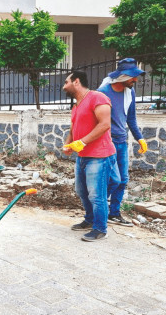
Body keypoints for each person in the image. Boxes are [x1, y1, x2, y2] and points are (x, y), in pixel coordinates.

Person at [62, 71, 116, 242]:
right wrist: (68, 144)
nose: (64, 86)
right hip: (83, 155)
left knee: (96, 194)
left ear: (76, 82)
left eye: (66, 82)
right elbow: (73, 129)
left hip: (99, 155)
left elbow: (105, 124)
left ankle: (100, 229)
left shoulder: (97, 98)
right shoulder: (76, 106)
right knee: (81, 191)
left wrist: (83, 142)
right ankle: (90, 219)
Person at [98, 58, 148, 227]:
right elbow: (96, 120)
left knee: (123, 179)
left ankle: (114, 213)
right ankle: (97, 210)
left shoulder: (129, 93)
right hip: (107, 143)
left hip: (122, 142)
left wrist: (139, 138)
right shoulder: (103, 92)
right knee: (113, 180)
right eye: (133, 77)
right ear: (122, 76)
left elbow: (131, 119)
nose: (136, 80)